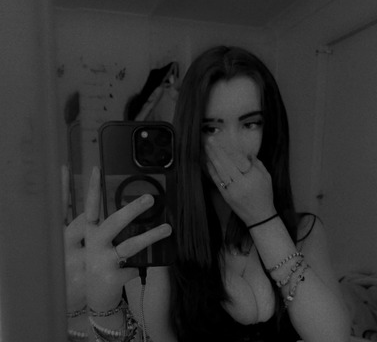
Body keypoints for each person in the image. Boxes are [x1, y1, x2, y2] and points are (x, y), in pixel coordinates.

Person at [79, 46, 351, 342]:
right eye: (211, 128)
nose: (232, 145)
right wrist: (102, 306)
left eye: (250, 124)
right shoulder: (160, 232)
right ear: (191, 134)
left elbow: (333, 337)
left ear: (270, 130)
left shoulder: (305, 230)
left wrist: (263, 218)